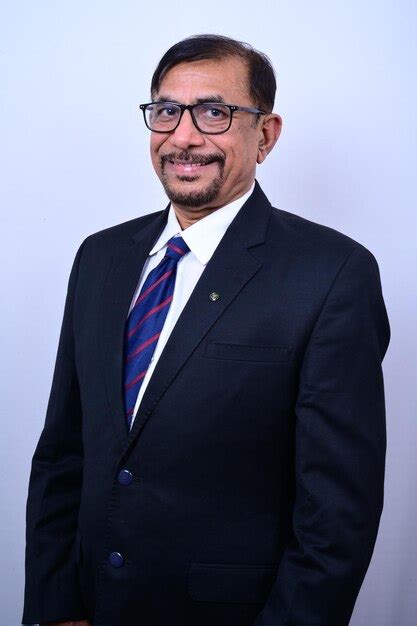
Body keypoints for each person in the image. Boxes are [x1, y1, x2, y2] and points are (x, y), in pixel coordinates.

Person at [22, 34, 390, 626]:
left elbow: (336, 514)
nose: (184, 137)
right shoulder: (100, 257)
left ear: (264, 135)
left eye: (214, 113)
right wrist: (57, 604)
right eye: (167, 111)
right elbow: (63, 453)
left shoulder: (331, 274)